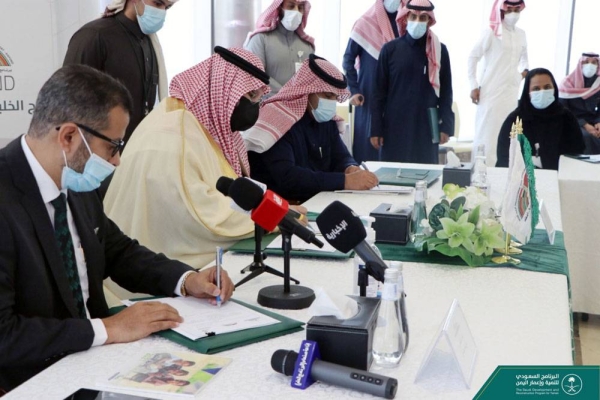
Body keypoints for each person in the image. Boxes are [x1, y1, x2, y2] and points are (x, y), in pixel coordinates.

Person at [0, 65, 234, 392]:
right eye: (113, 146)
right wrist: (108, 329)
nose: (117, 161)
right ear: (69, 137)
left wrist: (187, 279)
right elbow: (5, 337)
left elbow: (117, 252)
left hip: (99, 364)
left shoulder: (73, 181)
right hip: (37, 381)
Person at [104, 47, 280, 269]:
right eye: (251, 95)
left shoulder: (198, 125)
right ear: (224, 90)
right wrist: (273, 217)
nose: (255, 105)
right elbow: (205, 215)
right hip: (146, 276)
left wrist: (270, 207)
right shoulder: (173, 134)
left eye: (258, 97)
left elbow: (225, 190)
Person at [247, 55, 379, 203]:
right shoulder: (277, 119)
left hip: (317, 199)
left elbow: (340, 155)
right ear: (307, 91)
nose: (331, 103)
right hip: (283, 206)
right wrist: (345, 181)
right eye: (327, 96)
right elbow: (288, 178)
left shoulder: (325, 119)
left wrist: (349, 167)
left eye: (335, 98)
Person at [64, 0, 176, 145]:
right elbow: (68, 103)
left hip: (136, 154)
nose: (162, 12)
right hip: (99, 156)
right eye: (158, 3)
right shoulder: (94, 36)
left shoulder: (150, 44)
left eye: (167, 7)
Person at [370, 0, 454, 164]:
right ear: (406, 17)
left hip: (426, 127)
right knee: (392, 178)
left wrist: (446, 127)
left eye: (423, 18)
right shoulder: (390, 50)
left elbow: (446, 92)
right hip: (394, 126)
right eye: (413, 16)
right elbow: (378, 93)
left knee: (425, 178)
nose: (417, 22)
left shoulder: (439, 50)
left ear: (429, 21)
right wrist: (375, 129)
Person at [469, 0, 528, 165]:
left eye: (517, 9)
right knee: (487, 138)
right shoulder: (491, 32)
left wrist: (519, 76)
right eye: (510, 9)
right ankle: (480, 178)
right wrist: (473, 85)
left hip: (510, 95)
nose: (513, 13)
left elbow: (525, 62)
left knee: (509, 139)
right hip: (491, 94)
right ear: (502, 9)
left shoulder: (521, 34)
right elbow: (472, 57)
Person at [342, 0, 402, 163]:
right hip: (368, 97)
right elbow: (348, 60)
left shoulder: (405, 22)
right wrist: (354, 90)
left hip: (395, 97)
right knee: (368, 151)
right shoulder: (365, 23)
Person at [496, 68, 585, 170]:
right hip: (524, 180)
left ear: (554, 89)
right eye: (536, 89)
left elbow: (577, 153)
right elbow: (504, 158)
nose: (542, 92)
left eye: (547, 87)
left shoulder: (566, 118)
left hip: (560, 179)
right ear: (527, 92)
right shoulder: (515, 120)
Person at [244, 0, 315, 97]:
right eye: (291, 6)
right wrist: (285, 96)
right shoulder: (260, 39)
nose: (296, 11)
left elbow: (310, 81)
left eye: (300, 8)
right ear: (279, 8)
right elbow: (255, 76)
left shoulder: (307, 46)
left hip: (298, 109)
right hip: (267, 107)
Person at [559, 53, 600, 154]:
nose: (590, 65)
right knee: (585, 137)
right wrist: (585, 125)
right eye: (586, 62)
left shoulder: (598, 84)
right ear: (580, 64)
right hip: (572, 122)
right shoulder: (567, 84)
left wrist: (599, 122)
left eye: (594, 63)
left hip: (593, 122)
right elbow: (562, 111)